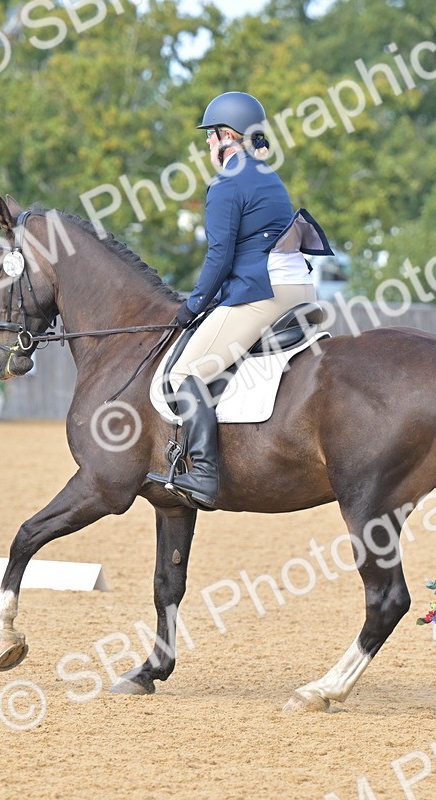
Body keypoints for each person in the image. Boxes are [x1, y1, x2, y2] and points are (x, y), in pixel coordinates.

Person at [146, 91, 328, 511]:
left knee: (187, 370)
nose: (207, 145)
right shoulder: (267, 174)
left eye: (210, 137)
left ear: (227, 135)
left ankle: (205, 475)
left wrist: (192, 305)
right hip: (298, 290)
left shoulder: (227, 183)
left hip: (262, 293)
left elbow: (219, 256)